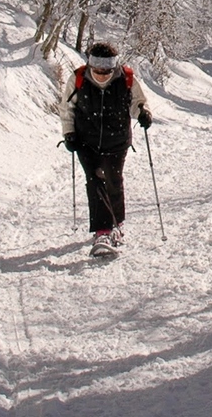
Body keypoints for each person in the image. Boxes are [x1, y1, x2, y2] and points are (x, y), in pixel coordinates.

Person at [58, 42, 154, 257]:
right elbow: (67, 107)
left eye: (106, 69)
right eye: (98, 69)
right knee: (94, 180)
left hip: (117, 140)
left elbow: (137, 102)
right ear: (90, 65)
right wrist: (69, 133)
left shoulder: (126, 78)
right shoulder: (79, 78)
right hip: (86, 140)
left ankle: (117, 224)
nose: (102, 74)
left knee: (113, 179)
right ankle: (102, 231)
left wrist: (143, 113)